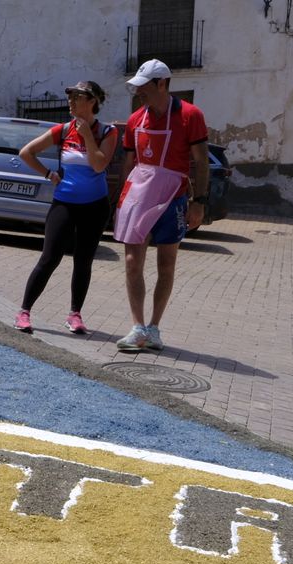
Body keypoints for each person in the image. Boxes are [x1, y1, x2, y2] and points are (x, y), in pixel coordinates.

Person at [113, 59, 209, 352]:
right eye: (137, 88)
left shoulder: (190, 115)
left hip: (174, 197)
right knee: (132, 262)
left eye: (144, 87)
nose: (139, 93)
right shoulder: (135, 120)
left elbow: (202, 161)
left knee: (166, 264)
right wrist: (121, 202)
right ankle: (137, 327)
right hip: (138, 197)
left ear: (162, 84)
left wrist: (199, 202)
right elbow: (128, 162)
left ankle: (154, 329)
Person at [13, 80, 119, 336]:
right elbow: (26, 152)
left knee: (83, 261)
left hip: (94, 207)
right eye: (70, 96)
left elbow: (99, 165)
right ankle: (24, 312)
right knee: (50, 258)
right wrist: (48, 173)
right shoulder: (62, 130)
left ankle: (75, 315)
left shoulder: (108, 132)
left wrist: (87, 137)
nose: (71, 101)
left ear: (92, 101)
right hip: (65, 203)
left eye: (77, 96)